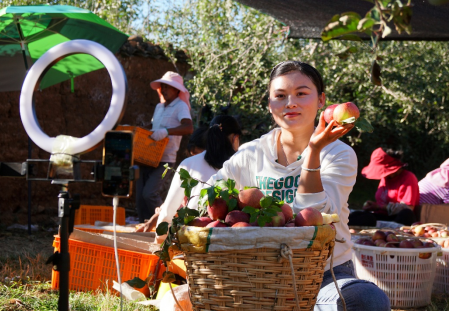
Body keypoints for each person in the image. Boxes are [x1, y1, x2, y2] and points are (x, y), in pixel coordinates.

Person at [207, 61, 390, 311]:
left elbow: (314, 218)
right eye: (280, 96)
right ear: (270, 104)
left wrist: (314, 151)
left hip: (325, 274)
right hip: (258, 273)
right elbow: (207, 195)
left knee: (368, 300)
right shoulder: (251, 153)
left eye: (301, 93)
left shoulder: (338, 154)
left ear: (321, 100)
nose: (290, 103)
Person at [136, 115, 242, 233]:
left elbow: (169, 210)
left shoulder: (188, 164)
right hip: (233, 237)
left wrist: (160, 240)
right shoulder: (242, 165)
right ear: (235, 138)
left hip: (192, 236)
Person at [136, 71, 194, 223]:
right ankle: (144, 225)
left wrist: (167, 131)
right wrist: (145, 128)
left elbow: (188, 128)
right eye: (162, 86)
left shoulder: (180, 106)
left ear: (177, 90)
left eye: (168, 87)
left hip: (165, 159)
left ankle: (164, 223)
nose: (164, 89)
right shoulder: (159, 107)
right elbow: (156, 125)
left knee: (149, 194)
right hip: (148, 156)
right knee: (139, 195)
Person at [349, 147, 419, 226]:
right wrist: (373, 205)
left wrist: (379, 207)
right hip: (381, 217)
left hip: (396, 219)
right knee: (357, 215)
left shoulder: (408, 177)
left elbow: (407, 208)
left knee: (406, 214)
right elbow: (381, 202)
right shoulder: (385, 178)